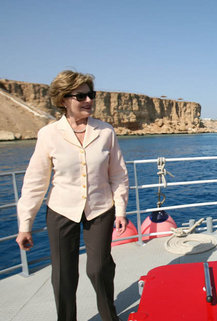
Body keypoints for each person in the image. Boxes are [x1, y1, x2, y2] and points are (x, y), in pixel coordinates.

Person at [15, 70, 129, 321]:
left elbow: (119, 175)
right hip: (61, 209)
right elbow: (35, 182)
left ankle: (109, 316)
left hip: (100, 208)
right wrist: (25, 225)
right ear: (63, 99)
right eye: (81, 96)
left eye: (91, 95)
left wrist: (120, 210)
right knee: (64, 273)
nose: (88, 100)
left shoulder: (106, 132)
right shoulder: (49, 134)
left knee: (99, 268)